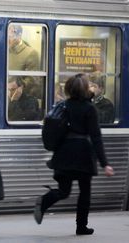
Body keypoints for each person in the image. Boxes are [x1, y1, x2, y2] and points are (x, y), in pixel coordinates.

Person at [33, 73, 115, 235]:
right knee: (85, 192)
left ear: (68, 89)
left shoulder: (63, 106)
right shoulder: (90, 108)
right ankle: (81, 226)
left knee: (64, 191)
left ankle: (44, 200)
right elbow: (96, 137)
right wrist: (105, 163)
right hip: (83, 154)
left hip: (63, 153)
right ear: (85, 89)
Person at [8, 25, 41, 99]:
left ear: (19, 35)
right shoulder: (5, 51)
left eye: (11, 35)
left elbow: (34, 79)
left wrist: (17, 84)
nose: (8, 38)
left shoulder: (31, 53)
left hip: (21, 100)